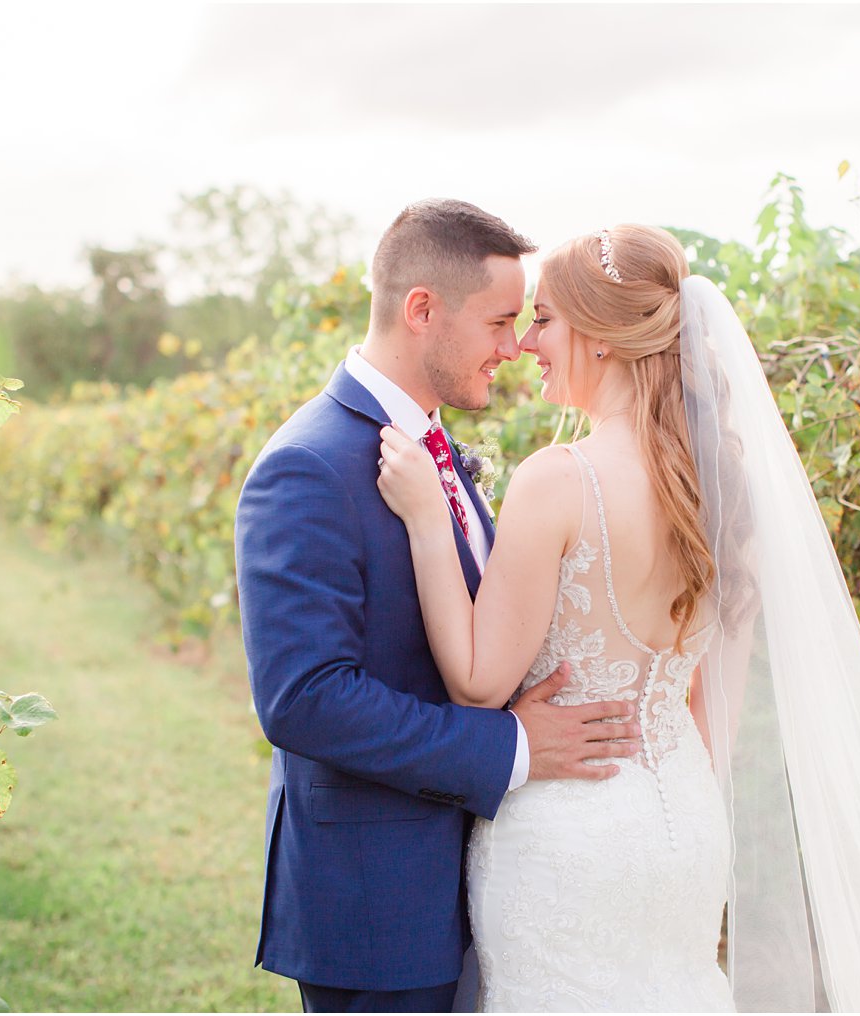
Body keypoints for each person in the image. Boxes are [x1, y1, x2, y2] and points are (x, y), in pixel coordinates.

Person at [376, 224, 860, 1011]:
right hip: (688, 826)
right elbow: (715, 716)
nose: (528, 342)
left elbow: (475, 681)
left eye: (546, 320)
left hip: (571, 831)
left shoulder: (558, 480)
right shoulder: (724, 488)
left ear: (600, 337)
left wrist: (429, 521)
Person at [233, 199, 642, 1015]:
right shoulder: (307, 467)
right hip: (379, 906)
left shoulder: (434, 446)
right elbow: (304, 700)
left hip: (492, 884)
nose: (513, 347)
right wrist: (510, 746)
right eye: (498, 322)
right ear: (422, 310)